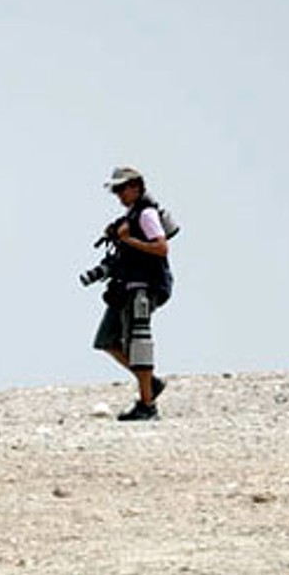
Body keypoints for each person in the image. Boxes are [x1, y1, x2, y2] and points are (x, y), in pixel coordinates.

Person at [92, 165, 173, 421]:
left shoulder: (146, 214)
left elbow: (161, 248)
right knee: (107, 339)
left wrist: (128, 241)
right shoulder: (131, 217)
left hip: (144, 287)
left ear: (135, 187)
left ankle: (147, 405)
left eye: (121, 188)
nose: (118, 194)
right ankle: (151, 384)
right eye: (115, 190)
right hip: (126, 287)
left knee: (139, 343)